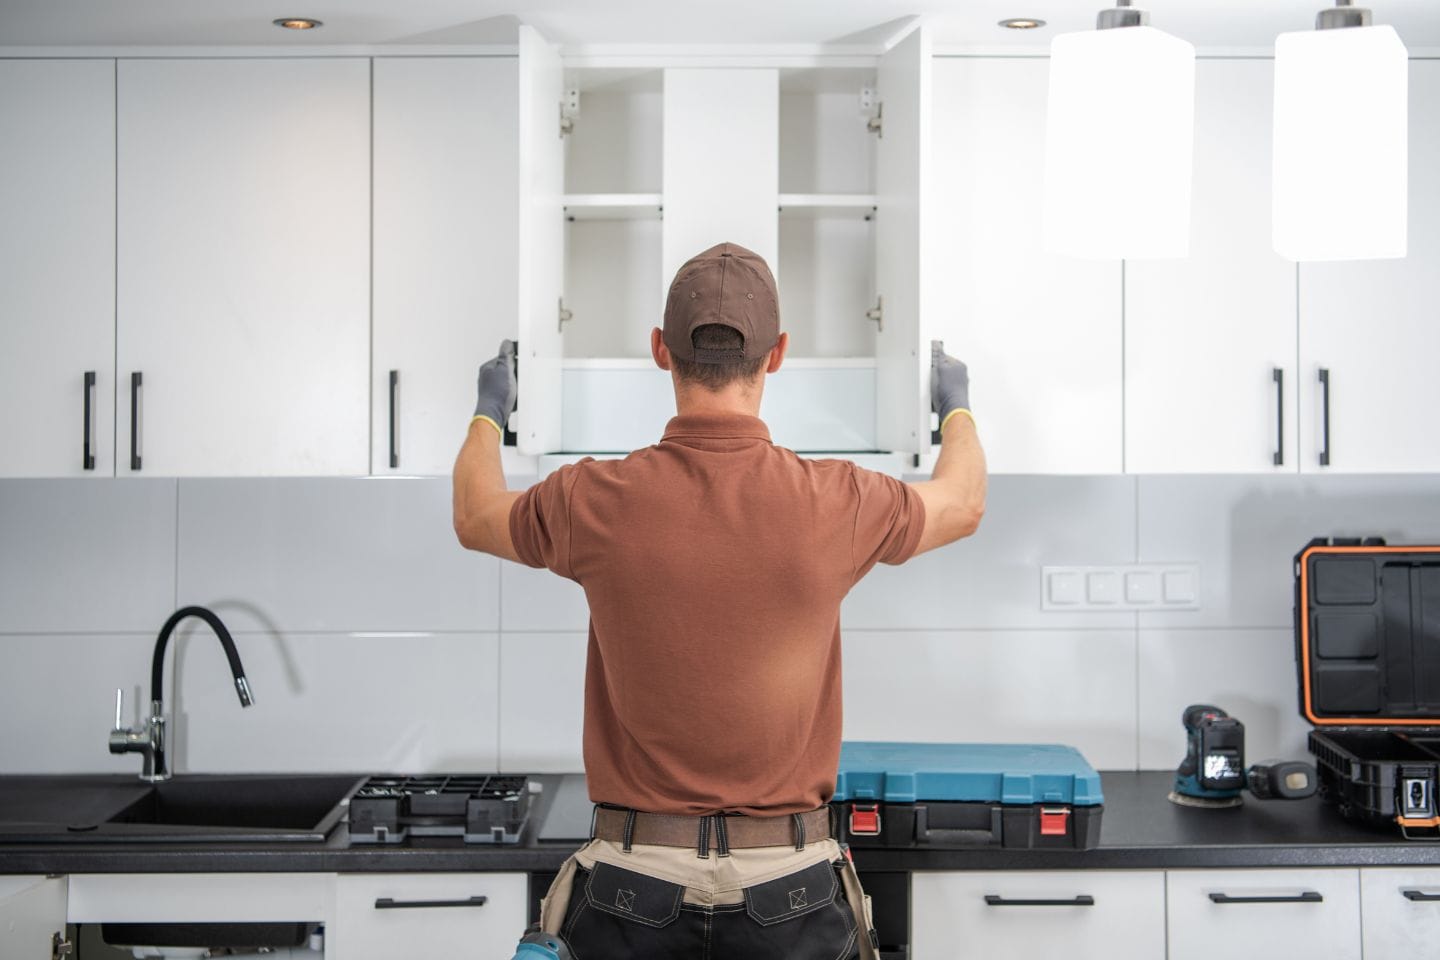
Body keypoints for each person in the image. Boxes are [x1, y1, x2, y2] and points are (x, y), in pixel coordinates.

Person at [453, 241, 986, 960]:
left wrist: (491, 410)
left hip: (630, 890)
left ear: (659, 351)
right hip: (791, 892)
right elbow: (963, 502)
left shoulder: (591, 499)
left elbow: (475, 513)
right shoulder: (838, 501)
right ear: (778, 354)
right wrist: (955, 407)